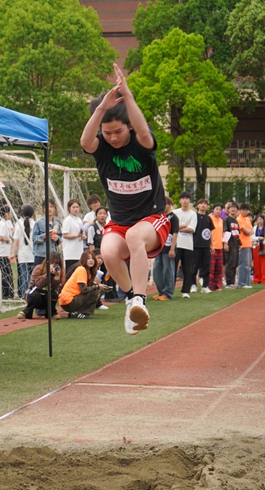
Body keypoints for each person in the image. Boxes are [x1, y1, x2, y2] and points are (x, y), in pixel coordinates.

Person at [81, 63, 170, 334]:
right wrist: (100, 109)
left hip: (151, 219)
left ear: (129, 126)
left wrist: (128, 96)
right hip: (119, 222)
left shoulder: (141, 144)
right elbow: (86, 142)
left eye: (118, 132)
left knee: (134, 236)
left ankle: (140, 300)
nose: (113, 138)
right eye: (107, 133)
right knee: (107, 251)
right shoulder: (102, 148)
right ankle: (131, 299)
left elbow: (144, 133)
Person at [58, 251, 106, 319]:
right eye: (88, 258)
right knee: (95, 291)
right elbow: (84, 289)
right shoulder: (81, 269)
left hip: (67, 301)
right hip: (68, 301)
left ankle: (76, 313)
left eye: (92, 258)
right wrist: (97, 286)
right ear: (83, 259)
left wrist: (95, 284)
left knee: (96, 289)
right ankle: (80, 313)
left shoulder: (87, 271)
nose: (91, 260)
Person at [16, 252, 64, 320]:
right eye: (52, 263)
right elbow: (38, 286)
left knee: (53, 294)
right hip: (33, 294)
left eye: (56, 264)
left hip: (46, 296)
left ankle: (51, 313)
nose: (54, 265)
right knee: (36, 295)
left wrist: (57, 277)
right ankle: (26, 312)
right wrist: (48, 274)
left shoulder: (58, 271)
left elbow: (54, 288)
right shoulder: (38, 268)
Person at [152, 197, 178, 301]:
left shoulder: (173, 217)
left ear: (169, 205)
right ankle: (161, 291)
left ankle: (168, 293)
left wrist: (172, 249)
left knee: (168, 270)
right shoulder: (160, 217)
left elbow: (175, 233)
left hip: (168, 248)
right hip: (159, 248)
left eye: (165, 204)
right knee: (156, 270)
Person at [173, 192, 196, 299]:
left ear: (189, 200)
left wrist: (178, 228)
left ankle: (186, 291)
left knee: (187, 268)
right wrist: (183, 226)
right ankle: (170, 289)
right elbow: (172, 227)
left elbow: (192, 229)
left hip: (188, 245)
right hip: (176, 244)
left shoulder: (193, 214)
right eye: (183, 198)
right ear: (180, 201)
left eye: (187, 198)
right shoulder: (175, 213)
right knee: (173, 268)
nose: (185, 200)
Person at [12, 205, 35, 299]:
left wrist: (13, 253)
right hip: (33, 254)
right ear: (33, 214)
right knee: (33, 278)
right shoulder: (36, 224)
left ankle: (25, 296)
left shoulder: (19, 224)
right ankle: (33, 296)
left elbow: (16, 241)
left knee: (24, 278)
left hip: (22, 255)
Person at [32, 198, 61, 270]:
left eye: (51, 206)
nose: (49, 209)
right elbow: (34, 238)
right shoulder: (38, 223)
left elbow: (60, 237)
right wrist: (43, 236)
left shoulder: (57, 224)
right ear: (43, 209)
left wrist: (57, 239)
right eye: (46, 207)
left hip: (53, 255)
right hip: (41, 255)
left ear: (55, 209)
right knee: (39, 274)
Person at [0, 206, 15, 299]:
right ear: (6, 214)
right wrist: (6, 239)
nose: (11, 215)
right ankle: (4, 294)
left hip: (4, 252)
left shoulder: (4, 222)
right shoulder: (2, 223)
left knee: (6, 274)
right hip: (1, 253)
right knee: (5, 274)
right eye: (9, 213)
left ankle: (6, 293)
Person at [193, 199, 214, 293]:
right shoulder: (194, 216)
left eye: (205, 204)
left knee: (206, 266)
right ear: (198, 205)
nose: (203, 205)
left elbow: (210, 232)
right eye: (201, 204)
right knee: (194, 266)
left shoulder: (208, 218)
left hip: (206, 246)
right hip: (195, 245)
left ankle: (205, 286)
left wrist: (212, 244)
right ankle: (193, 284)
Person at [62, 199, 86, 272]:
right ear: (69, 208)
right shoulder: (68, 220)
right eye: (73, 207)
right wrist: (76, 235)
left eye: (77, 207)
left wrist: (83, 235)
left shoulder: (79, 220)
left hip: (79, 251)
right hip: (70, 252)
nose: (76, 209)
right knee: (70, 272)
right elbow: (65, 235)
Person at [207, 203, 225, 292]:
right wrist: (211, 245)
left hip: (220, 246)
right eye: (216, 209)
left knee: (219, 267)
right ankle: (210, 285)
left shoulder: (221, 220)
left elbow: (222, 232)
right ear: (213, 210)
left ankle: (218, 285)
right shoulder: (209, 218)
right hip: (212, 246)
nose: (218, 211)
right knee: (211, 268)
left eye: (220, 209)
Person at [236, 203, 254, 288]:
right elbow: (246, 231)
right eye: (243, 210)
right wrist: (249, 231)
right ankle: (242, 283)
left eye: (246, 210)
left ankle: (247, 283)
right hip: (242, 244)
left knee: (248, 265)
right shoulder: (239, 219)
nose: (245, 211)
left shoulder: (247, 219)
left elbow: (252, 231)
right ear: (240, 210)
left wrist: (249, 231)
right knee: (243, 264)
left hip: (248, 244)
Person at [223, 202, 241, 288]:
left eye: (235, 208)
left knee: (234, 263)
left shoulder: (236, 221)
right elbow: (225, 232)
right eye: (231, 207)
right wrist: (225, 243)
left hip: (235, 244)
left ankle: (232, 281)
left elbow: (237, 233)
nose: (233, 209)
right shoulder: (227, 219)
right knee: (230, 263)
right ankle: (228, 282)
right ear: (228, 210)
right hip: (230, 244)